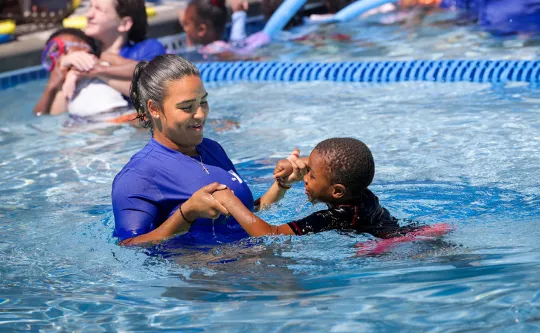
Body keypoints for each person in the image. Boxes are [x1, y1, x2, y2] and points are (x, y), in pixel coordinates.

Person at [111, 54, 306, 246]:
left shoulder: (212, 149)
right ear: (153, 108)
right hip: (205, 275)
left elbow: (243, 216)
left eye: (203, 102)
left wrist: (281, 186)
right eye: (187, 107)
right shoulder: (138, 175)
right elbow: (129, 246)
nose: (200, 114)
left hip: (248, 262)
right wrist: (186, 214)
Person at [213, 137, 406, 238]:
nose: (304, 177)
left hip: (394, 247)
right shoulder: (357, 187)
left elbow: (271, 234)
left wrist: (231, 201)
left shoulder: (335, 217)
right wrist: (296, 165)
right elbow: (330, 167)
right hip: (404, 231)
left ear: (337, 191)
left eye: (311, 174)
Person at [33, 28, 135, 124]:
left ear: (84, 47)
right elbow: (57, 118)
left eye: (64, 49)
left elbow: (140, 69)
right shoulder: (62, 83)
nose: (61, 57)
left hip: (120, 115)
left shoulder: (103, 59)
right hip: (87, 125)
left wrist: (98, 70)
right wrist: (54, 85)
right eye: (54, 55)